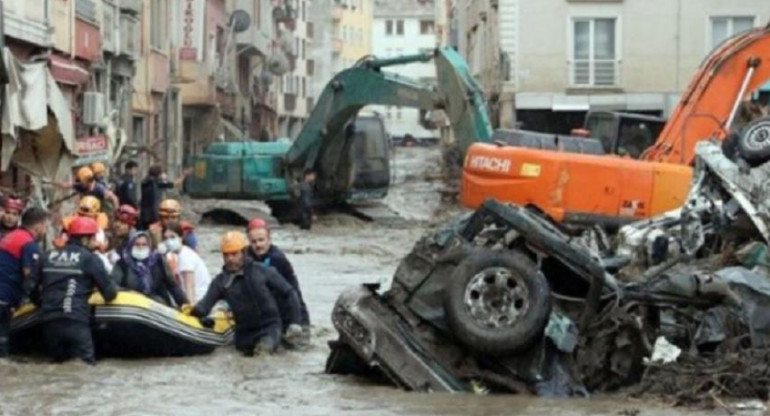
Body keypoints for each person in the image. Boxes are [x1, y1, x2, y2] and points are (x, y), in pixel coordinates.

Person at [186, 231, 303, 356]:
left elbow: (290, 293)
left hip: (269, 328)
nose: (230, 259)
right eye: (226, 255)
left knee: (263, 353)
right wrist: (188, 311)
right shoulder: (220, 282)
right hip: (243, 335)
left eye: (234, 254)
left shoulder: (263, 271)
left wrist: (295, 322)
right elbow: (204, 307)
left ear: (244, 252)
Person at [27, 216, 117, 364]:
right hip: (76, 321)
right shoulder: (90, 259)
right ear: (86, 239)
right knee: (84, 367)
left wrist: (40, 303)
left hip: (50, 323)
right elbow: (110, 293)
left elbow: (29, 287)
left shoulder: (47, 256)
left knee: (56, 368)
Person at [0, 207, 48, 358]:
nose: (45, 231)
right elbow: (30, 277)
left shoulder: (10, 237)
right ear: (38, 226)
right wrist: (39, 301)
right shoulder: (28, 244)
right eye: (45, 227)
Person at [246, 218, 310, 329]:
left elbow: (291, 294)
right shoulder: (247, 255)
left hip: (293, 316)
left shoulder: (277, 259)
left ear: (269, 239)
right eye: (254, 242)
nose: (258, 245)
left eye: (261, 240)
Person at [111, 232, 189, 308]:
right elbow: (114, 285)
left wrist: (185, 305)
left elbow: (172, 286)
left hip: (158, 306)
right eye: (137, 245)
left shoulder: (158, 261)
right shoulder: (123, 264)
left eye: (144, 245)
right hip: (132, 307)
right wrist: (130, 293)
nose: (141, 247)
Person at [159, 221, 210, 302]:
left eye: (172, 237)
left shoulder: (185, 257)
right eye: (166, 238)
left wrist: (190, 309)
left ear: (181, 237)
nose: (169, 241)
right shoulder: (181, 254)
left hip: (199, 299)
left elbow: (190, 286)